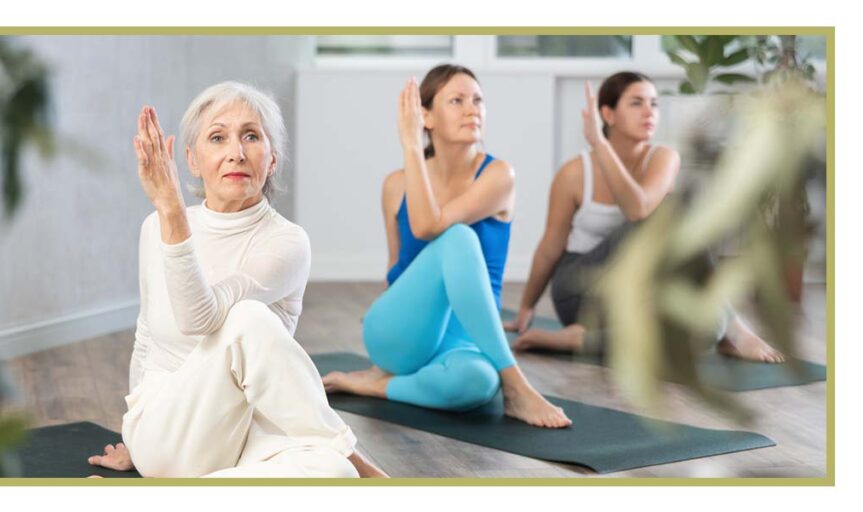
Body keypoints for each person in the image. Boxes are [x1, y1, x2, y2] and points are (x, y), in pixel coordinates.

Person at [88, 82, 385, 478]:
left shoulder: (287, 242)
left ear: (273, 158)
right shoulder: (158, 226)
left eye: (251, 136)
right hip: (167, 429)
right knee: (247, 318)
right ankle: (368, 470)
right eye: (218, 137)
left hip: (243, 434)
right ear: (192, 160)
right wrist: (136, 438)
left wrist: (171, 214)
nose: (236, 152)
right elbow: (149, 335)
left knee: (335, 475)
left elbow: (205, 318)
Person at [322, 65, 571, 428]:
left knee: (478, 384)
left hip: (465, 340)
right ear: (426, 117)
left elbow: (429, 225)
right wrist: (410, 144)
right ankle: (516, 385)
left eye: (478, 100)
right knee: (457, 236)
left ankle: (380, 387)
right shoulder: (395, 185)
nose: (473, 109)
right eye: (457, 100)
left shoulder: (498, 176)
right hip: (401, 335)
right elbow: (408, 251)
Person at [503, 71, 785, 363]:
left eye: (654, 103)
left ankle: (583, 339)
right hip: (580, 292)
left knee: (709, 329)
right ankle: (736, 329)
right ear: (608, 114)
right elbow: (552, 246)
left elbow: (643, 212)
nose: (649, 112)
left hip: (635, 290)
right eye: (636, 103)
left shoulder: (664, 158)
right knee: (670, 209)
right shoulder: (574, 173)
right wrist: (525, 309)